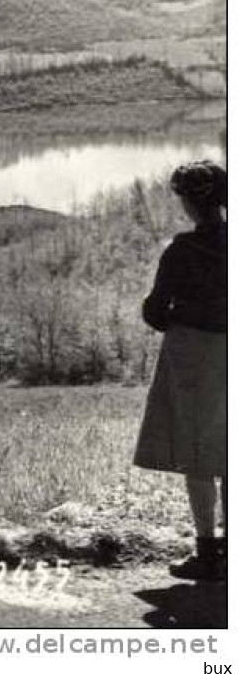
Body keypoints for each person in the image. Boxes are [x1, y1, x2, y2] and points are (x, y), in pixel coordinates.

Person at [134, 159, 227, 582]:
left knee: (198, 454)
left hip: (195, 354)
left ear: (190, 202)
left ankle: (208, 554)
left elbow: (155, 311)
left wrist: (177, 317)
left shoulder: (182, 250)